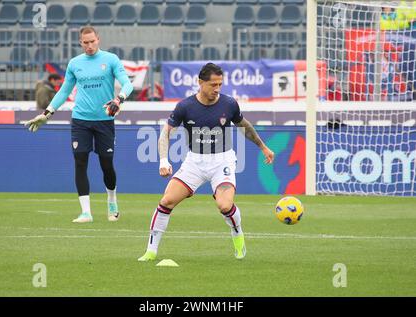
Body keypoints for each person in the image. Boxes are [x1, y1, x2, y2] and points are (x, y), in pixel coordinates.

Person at [138, 63, 275, 261]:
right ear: (200, 82)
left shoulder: (229, 104)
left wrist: (263, 147)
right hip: (194, 162)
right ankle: (151, 251)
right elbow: (166, 133)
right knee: (166, 201)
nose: (217, 89)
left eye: (220, 84)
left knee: (224, 206)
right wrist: (163, 160)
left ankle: (237, 234)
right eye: (213, 85)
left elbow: (244, 126)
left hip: (222, 161)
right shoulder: (185, 106)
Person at [25, 26, 133, 223]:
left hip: (104, 120)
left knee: (106, 164)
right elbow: (64, 91)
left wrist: (119, 100)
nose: (90, 45)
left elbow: (128, 83)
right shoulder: (75, 63)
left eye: (92, 41)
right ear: (80, 42)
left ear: (98, 39)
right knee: (80, 162)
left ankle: (112, 201)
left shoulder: (110, 60)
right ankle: (86, 212)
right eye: (86, 42)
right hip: (80, 120)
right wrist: (47, 113)